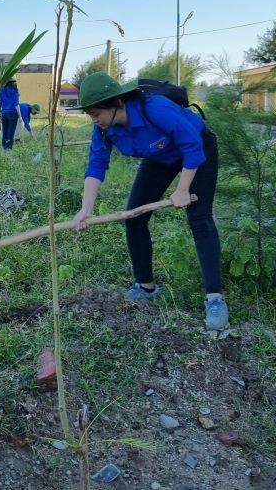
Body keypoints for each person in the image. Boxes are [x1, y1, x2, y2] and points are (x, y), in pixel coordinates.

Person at [71, 72, 229, 331]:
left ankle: (215, 300)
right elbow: (96, 164)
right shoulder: (104, 129)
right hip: (159, 156)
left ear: (116, 103)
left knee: (199, 219)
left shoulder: (155, 109)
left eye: (96, 113)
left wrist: (182, 189)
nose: (94, 120)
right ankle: (146, 288)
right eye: (90, 115)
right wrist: (85, 209)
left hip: (197, 148)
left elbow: (192, 146)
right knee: (133, 217)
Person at [0, 79, 22, 151]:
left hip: (4, 114)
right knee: (11, 132)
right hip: (12, 114)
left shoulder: (2, 90)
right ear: (12, 83)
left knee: (5, 131)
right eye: (15, 83)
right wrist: (20, 116)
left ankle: (3, 147)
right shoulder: (14, 91)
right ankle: (8, 149)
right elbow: (16, 105)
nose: (15, 84)